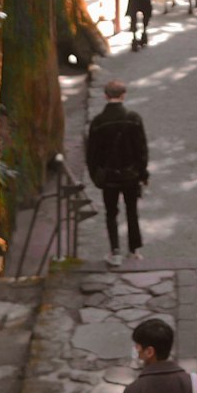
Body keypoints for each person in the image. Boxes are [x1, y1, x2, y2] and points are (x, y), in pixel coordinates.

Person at [85, 79, 149, 266]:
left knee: (111, 213)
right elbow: (141, 150)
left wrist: (96, 176)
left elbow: (92, 154)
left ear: (105, 96)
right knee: (131, 211)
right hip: (130, 176)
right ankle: (134, 249)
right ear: (123, 95)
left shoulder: (98, 122)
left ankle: (115, 250)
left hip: (109, 177)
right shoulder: (134, 118)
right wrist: (143, 173)